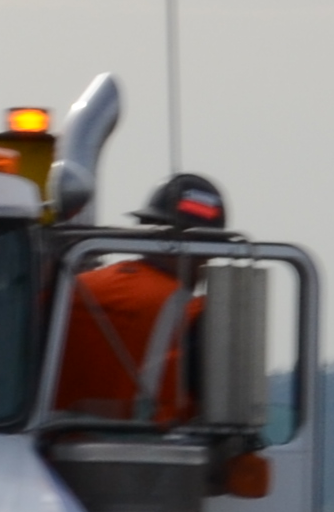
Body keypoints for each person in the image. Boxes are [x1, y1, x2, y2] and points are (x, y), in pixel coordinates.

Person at [51, 173, 229, 421]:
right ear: (201, 248)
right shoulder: (195, 315)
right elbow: (215, 414)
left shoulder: (72, 288)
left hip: (45, 449)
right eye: (209, 251)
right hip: (145, 452)